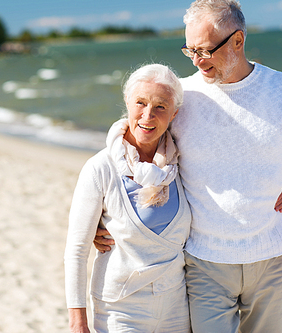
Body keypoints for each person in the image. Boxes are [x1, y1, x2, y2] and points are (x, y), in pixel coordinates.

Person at [94, 0, 282, 332]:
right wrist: (106, 210)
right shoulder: (182, 96)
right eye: (190, 50)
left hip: (272, 259)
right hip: (204, 261)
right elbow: (132, 143)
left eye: (205, 50)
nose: (198, 61)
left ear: (238, 41)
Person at [64, 64, 192, 333]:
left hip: (176, 309)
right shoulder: (101, 168)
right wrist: (78, 323)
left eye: (160, 106)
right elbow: (77, 250)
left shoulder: (183, 165)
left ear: (174, 113)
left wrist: (275, 187)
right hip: (120, 310)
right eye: (141, 103)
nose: (148, 115)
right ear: (127, 103)